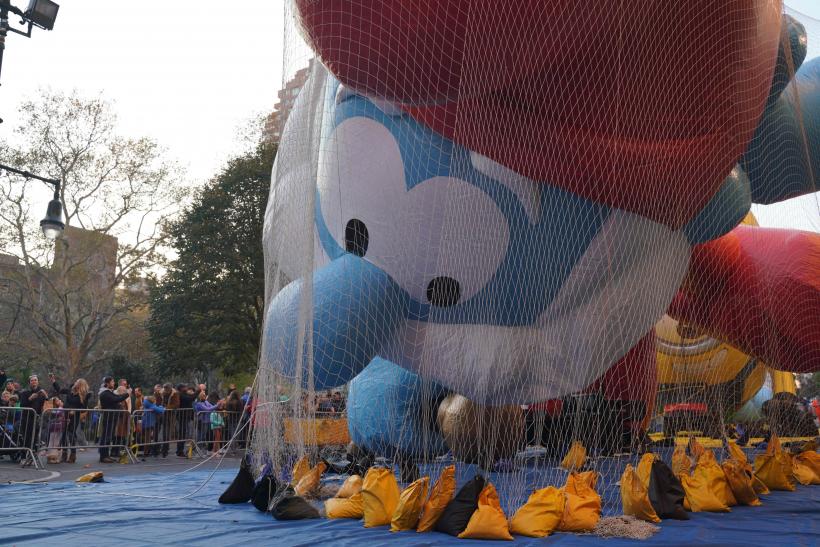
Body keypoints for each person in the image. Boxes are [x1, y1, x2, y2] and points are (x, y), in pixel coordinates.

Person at [98, 376, 130, 463]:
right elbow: (116, 399)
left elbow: (117, 398)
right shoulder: (105, 393)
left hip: (112, 417)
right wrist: (127, 394)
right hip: (109, 418)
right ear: (107, 383)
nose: (114, 383)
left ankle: (106, 455)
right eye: (112, 382)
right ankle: (103, 456)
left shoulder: (109, 392)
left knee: (109, 437)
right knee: (106, 437)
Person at [18, 375, 49, 465]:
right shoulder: (25, 393)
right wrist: (30, 399)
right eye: (32, 380)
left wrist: (46, 396)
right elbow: (22, 405)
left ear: (38, 382)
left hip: (36, 419)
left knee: (35, 439)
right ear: (29, 382)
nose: (34, 382)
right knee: (26, 438)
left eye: (35, 380)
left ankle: (32, 457)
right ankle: (23, 457)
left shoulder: (41, 393)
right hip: (26, 418)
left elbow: (48, 405)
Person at [59, 379, 90, 463]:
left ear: (80, 385)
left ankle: (73, 455)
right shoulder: (70, 391)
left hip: (74, 417)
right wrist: (53, 381)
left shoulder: (84, 395)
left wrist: (75, 410)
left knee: (71, 434)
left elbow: (84, 409)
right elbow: (60, 390)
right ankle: (64, 454)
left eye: (76, 382)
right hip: (66, 415)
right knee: (64, 434)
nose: (75, 383)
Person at [156, 383, 179, 458]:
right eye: (165, 389)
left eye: (167, 389)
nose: (166, 390)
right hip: (160, 415)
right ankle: (157, 449)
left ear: (170, 388)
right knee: (159, 433)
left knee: (166, 433)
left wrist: (166, 408)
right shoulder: (160, 393)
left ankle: (165, 450)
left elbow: (176, 404)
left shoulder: (175, 394)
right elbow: (157, 402)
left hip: (169, 416)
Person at [175, 384, 195, 457]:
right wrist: (198, 390)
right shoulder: (180, 395)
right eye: (185, 387)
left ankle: (180, 451)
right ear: (181, 388)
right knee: (181, 434)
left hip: (186, 417)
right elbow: (190, 399)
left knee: (183, 434)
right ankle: (179, 451)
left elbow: (191, 397)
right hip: (182, 417)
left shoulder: (184, 394)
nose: (187, 388)